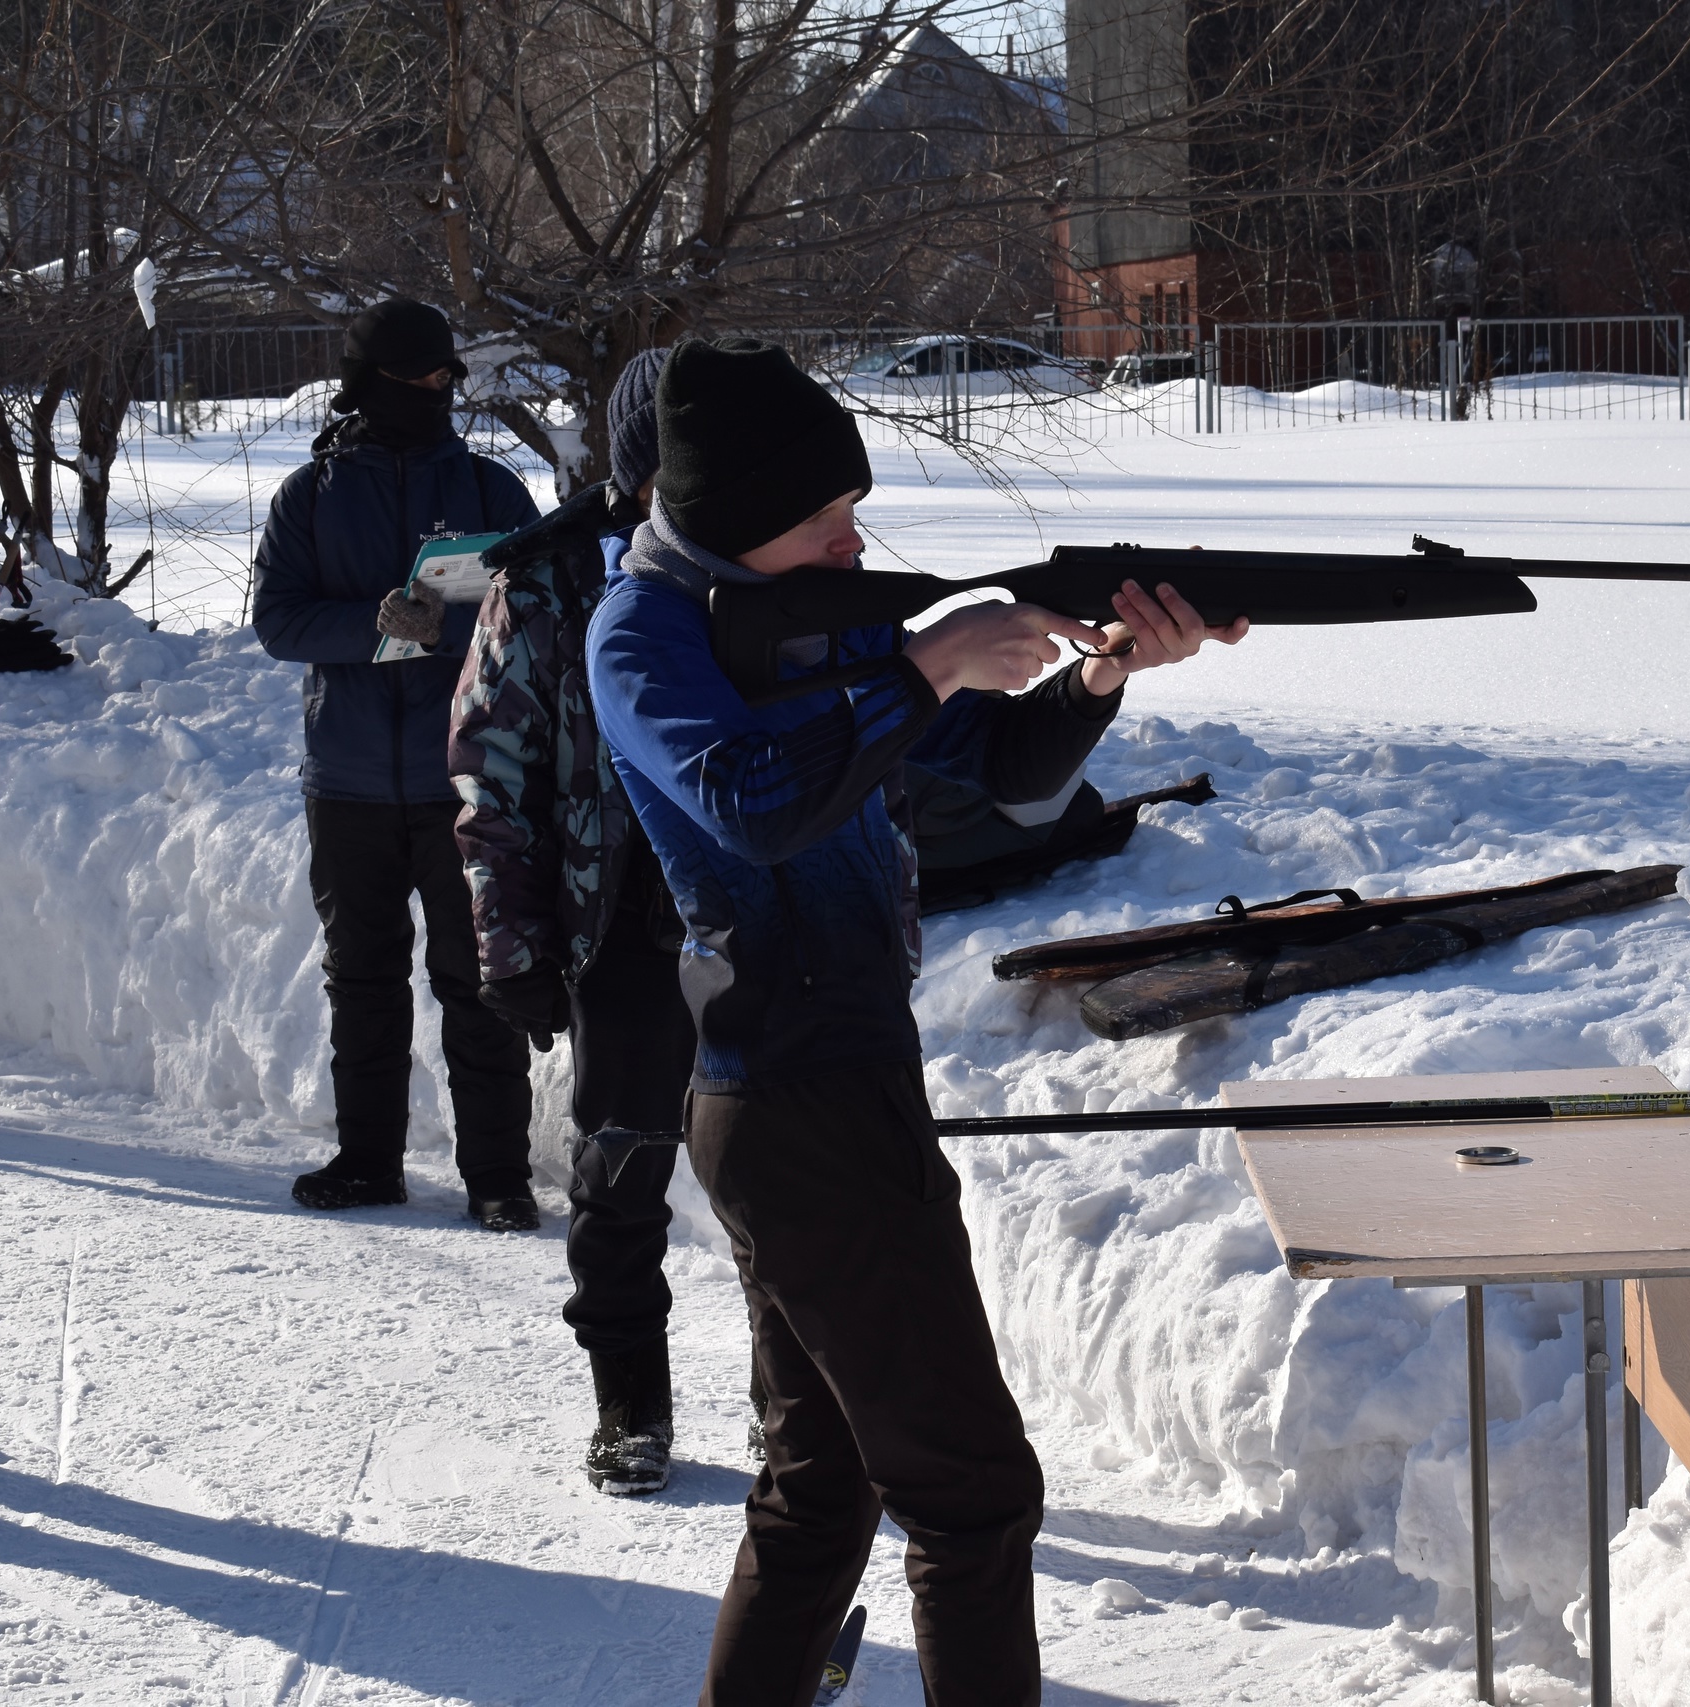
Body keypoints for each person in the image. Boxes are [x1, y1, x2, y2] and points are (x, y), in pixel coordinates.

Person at [586, 337, 1242, 1705]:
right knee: (973, 1496)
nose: (854, 538)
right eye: (826, 519)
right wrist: (926, 662)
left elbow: (1006, 768)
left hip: (834, 1084)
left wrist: (1101, 676)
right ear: (737, 519)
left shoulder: (804, 609)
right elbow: (755, 802)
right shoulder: (640, 632)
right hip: (790, 1097)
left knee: (823, 1485)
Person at [449, 349, 701, 1495]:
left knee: (790, 1187)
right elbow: (493, 778)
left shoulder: (783, 560)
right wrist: (510, 940)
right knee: (621, 1173)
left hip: (758, 928)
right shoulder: (548, 578)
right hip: (622, 933)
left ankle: (796, 1407)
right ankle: (629, 1405)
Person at [252, 298, 542, 1230]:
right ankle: (369, 1158)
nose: (434, 395)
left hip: (465, 779)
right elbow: (278, 619)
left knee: (477, 980)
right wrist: (374, 624)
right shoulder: (312, 495)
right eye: (416, 381)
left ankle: (498, 1175)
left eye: (443, 380)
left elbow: (544, 604)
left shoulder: (493, 491)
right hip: (346, 782)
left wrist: (452, 624)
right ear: (367, 385)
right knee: (363, 976)